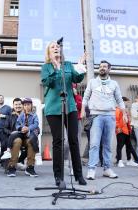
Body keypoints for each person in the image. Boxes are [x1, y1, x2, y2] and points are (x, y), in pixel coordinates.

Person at [41, 41, 87, 186]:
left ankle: (79, 175)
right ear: (48, 52)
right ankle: (59, 177)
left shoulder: (67, 65)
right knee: (58, 141)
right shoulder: (46, 67)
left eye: (57, 47)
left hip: (70, 107)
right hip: (53, 109)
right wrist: (55, 67)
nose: (56, 48)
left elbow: (77, 79)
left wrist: (80, 67)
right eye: (52, 47)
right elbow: (49, 82)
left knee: (73, 140)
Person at [81, 60, 126, 180]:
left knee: (107, 145)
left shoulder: (114, 84)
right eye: (100, 67)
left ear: (109, 69)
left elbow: (119, 100)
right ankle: (91, 170)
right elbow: (85, 97)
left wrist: (124, 113)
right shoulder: (92, 82)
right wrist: (82, 110)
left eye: (104, 67)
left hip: (110, 117)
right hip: (96, 116)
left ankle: (107, 169)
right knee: (94, 144)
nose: (102, 68)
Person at [6, 98, 40, 177]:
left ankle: (30, 167)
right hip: (21, 135)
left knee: (31, 141)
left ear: (31, 105)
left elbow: (36, 124)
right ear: (23, 106)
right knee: (17, 141)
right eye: (25, 105)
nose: (27, 107)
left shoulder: (34, 115)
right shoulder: (22, 115)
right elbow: (17, 124)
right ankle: (12, 166)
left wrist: (28, 128)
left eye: (28, 105)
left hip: (29, 136)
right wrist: (21, 128)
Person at [2, 97, 26, 170]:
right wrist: (11, 133)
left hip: (23, 136)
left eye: (19, 104)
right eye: (16, 104)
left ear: (22, 105)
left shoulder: (26, 115)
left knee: (31, 143)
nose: (18, 106)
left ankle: (18, 162)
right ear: (13, 106)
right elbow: (5, 128)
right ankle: (8, 165)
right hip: (11, 137)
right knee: (5, 142)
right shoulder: (10, 117)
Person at [115, 97, 138, 167]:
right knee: (119, 146)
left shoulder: (124, 110)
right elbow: (115, 120)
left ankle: (129, 160)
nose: (128, 104)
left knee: (128, 146)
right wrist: (118, 127)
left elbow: (127, 120)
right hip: (121, 130)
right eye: (127, 102)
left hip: (127, 130)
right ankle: (119, 161)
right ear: (123, 102)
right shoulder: (118, 110)